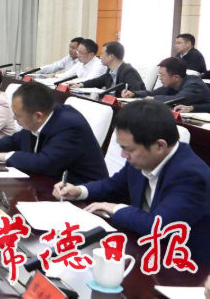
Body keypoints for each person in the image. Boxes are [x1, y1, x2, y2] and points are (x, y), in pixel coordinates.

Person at [53, 100, 210, 265]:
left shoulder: (191, 176)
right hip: (144, 249)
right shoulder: (142, 158)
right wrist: (79, 191)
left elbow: (158, 228)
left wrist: (115, 208)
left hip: (183, 263)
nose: (123, 155)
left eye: (128, 149)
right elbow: (113, 186)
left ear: (159, 146)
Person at [0, 81, 108, 184]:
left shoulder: (70, 126)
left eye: (17, 115)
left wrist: (5, 156)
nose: (14, 118)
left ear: (38, 116)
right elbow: (17, 139)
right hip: (49, 186)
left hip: (84, 197)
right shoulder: (44, 117)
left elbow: (45, 163)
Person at [123, 57, 210, 112]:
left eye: (162, 75)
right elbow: (152, 93)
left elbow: (177, 99)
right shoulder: (172, 84)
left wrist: (154, 99)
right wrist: (134, 94)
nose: (160, 78)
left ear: (176, 77)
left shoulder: (194, 84)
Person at [71, 41, 145, 97]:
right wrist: (80, 85)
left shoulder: (129, 72)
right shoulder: (110, 71)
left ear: (111, 56)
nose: (100, 57)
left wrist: (130, 94)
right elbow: (97, 81)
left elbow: (136, 93)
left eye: (102, 54)